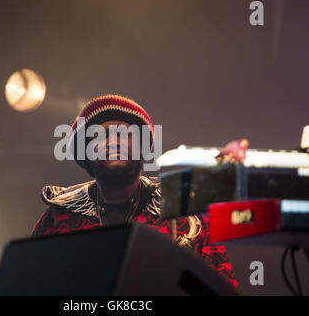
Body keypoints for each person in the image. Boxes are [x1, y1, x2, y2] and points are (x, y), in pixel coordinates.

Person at [32, 94, 238, 289]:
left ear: (142, 150)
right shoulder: (58, 217)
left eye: (126, 135)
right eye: (101, 136)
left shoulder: (185, 214)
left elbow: (223, 288)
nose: (114, 141)